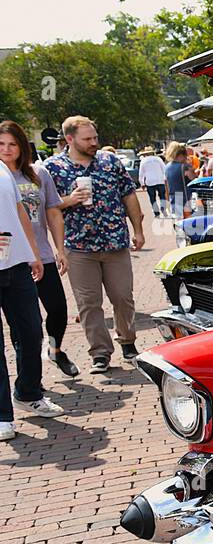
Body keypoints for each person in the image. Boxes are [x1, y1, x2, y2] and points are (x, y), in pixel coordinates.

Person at [43, 115, 145, 373]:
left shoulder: (110, 162)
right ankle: (100, 353)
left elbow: (128, 195)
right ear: (69, 139)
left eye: (95, 137)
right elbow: (49, 207)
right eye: (87, 139)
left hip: (115, 243)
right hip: (78, 247)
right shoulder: (52, 168)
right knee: (89, 303)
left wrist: (139, 229)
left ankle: (128, 342)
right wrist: (70, 199)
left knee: (123, 297)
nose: (93, 143)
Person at [0, 122, 78, 377]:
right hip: (11, 260)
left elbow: (53, 212)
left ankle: (54, 351)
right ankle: (29, 376)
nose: (7, 149)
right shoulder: (1, 177)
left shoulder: (38, 173)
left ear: (22, 146)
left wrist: (60, 250)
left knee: (57, 310)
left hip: (42, 255)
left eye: (12, 144)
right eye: (1, 144)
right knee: (22, 322)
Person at [0, 142, 64, 441]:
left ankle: (28, 392)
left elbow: (18, 212)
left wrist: (33, 253)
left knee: (31, 332)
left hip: (15, 265)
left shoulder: (3, 171)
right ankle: (2, 416)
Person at [163, 141, 191, 218]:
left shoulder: (167, 167)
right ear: (181, 155)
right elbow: (193, 178)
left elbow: (166, 186)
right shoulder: (185, 166)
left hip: (174, 197)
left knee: (178, 223)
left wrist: (167, 200)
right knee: (188, 223)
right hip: (186, 197)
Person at [137, 147, 167, 216]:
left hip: (150, 182)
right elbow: (164, 169)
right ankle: (163, 209)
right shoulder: (158, 159)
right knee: (162, 195)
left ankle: (156, 212)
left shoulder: (143, 161)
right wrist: (164, 178)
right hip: (160, 180)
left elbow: (141, 173)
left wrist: (142, 183)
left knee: (152, 198)